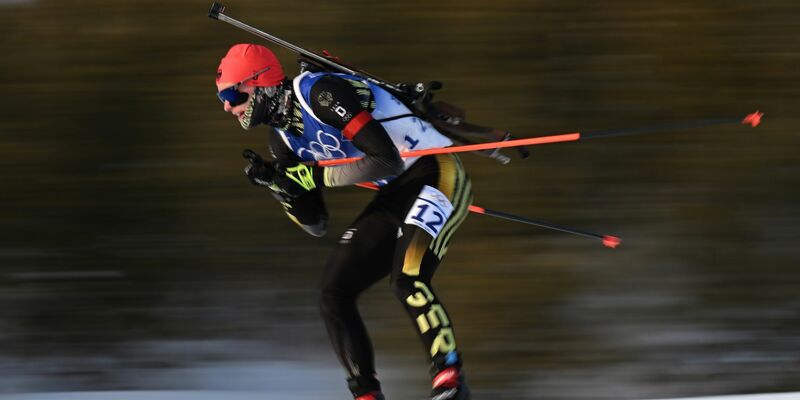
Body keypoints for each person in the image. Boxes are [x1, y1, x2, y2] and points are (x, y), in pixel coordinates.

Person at [215, 43, 473, 400]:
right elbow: (316, 222)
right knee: (333, 293)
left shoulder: (318, 93)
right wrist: (281, 187)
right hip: (395, 193)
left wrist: (313, 178)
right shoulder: (281, 138)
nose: (228, 105)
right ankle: (366, 394)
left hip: (436, 171)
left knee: (407, 278)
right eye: (222, 98)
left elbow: (386, 161)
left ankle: (451, 381)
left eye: (232, 93)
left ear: (260, 83)